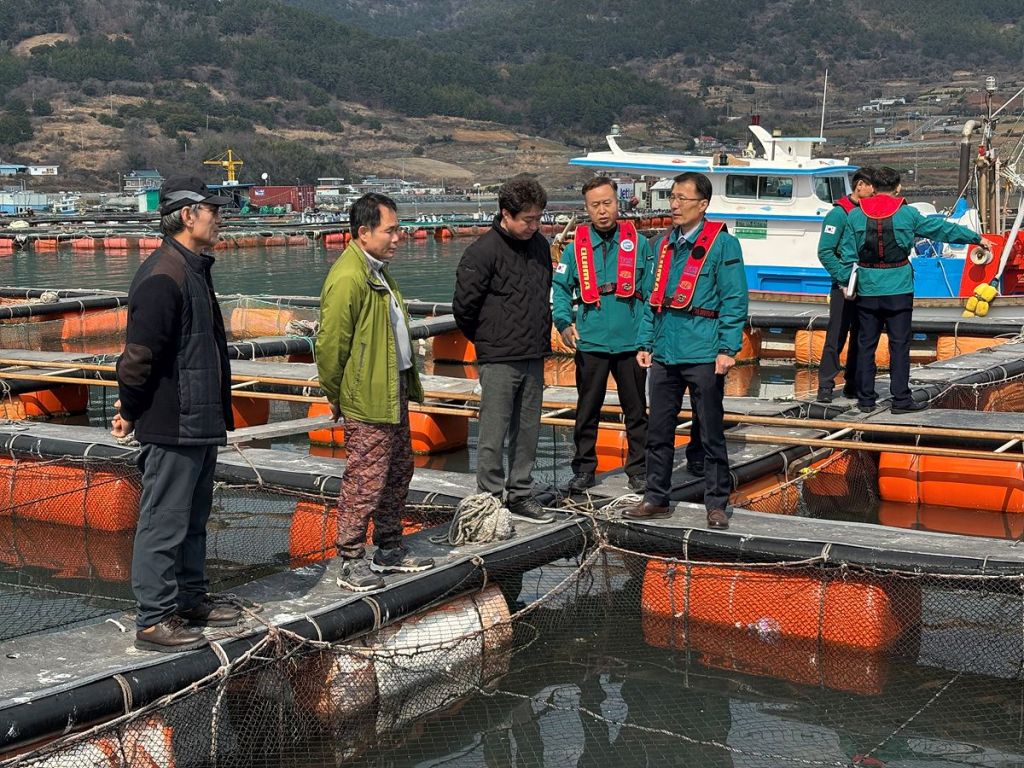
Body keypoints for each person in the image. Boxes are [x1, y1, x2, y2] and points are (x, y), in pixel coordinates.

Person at [112, 175, 240, 652]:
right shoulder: (164, 275)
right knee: (163, 521)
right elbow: (138, 358)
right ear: (188, 215)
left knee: (194, 518)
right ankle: (153, 618)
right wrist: (130, 410)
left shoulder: (192, 268)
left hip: (199, 420)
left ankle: (189, 598)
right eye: (212, 210)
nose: (219, 218)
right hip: (173, 422)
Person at [317, 193, 435, 591]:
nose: (397, 237)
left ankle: (389, 547)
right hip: (366, 395)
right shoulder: (349, 277)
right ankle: (351, 559)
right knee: (365, 479)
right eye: (391, 230)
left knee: (399, 469)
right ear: (364, 232)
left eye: (398, 230)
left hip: (391, 387)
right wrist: (338, 394)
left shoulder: (378, 271)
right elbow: (330, 345)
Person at [625, 172, 748, 530]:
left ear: (703, 204)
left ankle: (717, 503)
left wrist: (727, 348)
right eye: (672, 198)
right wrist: (645, 342)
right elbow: (652, 299)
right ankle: (656, 497)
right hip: (665, 351)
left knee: (710, 431)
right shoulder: (662, 245)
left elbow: (734, 299)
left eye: (682, 198)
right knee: (659, 430)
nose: (674, 205)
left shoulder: (723, 245)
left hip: (704, 350)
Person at [837, 166, 988, 414]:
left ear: (873, 187)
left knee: (865, 344)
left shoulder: (855, 215)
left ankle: (865, 400)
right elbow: (942, 229)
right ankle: (900, 400)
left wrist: (846, 282)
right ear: (897, 188)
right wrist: (975, 238)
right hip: (899, 288)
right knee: (899, 345)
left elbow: (847, 254)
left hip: (868, 287)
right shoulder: (907, 213)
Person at [453, 177, 554, 522]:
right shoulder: (482, 252)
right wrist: (488, 341)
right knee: (493, 434)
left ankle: (521, 493)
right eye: (527, 219)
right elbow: (464, 308)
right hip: (498, 357)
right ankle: (490, 499)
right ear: (505, 215)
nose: (534, 226)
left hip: (533, 353)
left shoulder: (540, 246)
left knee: (528, 430)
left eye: (538, 218)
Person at [552, 176, 652, 493]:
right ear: (587, 209)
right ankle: (584, 469)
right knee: (587, 410)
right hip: (591, 341)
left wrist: (647, 339)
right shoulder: (574, 249)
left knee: (636, 411)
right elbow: (560, 288)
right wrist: (563, 322)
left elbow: (651, 293)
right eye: (595, 205)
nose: (602, 210)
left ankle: (638, 470)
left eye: (607, 203)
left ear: (617, 203)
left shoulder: (640, 244)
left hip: (631, 343)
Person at [814, 167, 876, 403]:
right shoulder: (838, 215)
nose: (876, 192)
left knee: (861, 335)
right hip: (843, 285)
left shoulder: (870, 212)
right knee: (836, 335)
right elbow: (825, 251)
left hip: (866, 285)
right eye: (873, 187)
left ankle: (853, 383)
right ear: (860, 186)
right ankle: (825, 386)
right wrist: (842, 279)